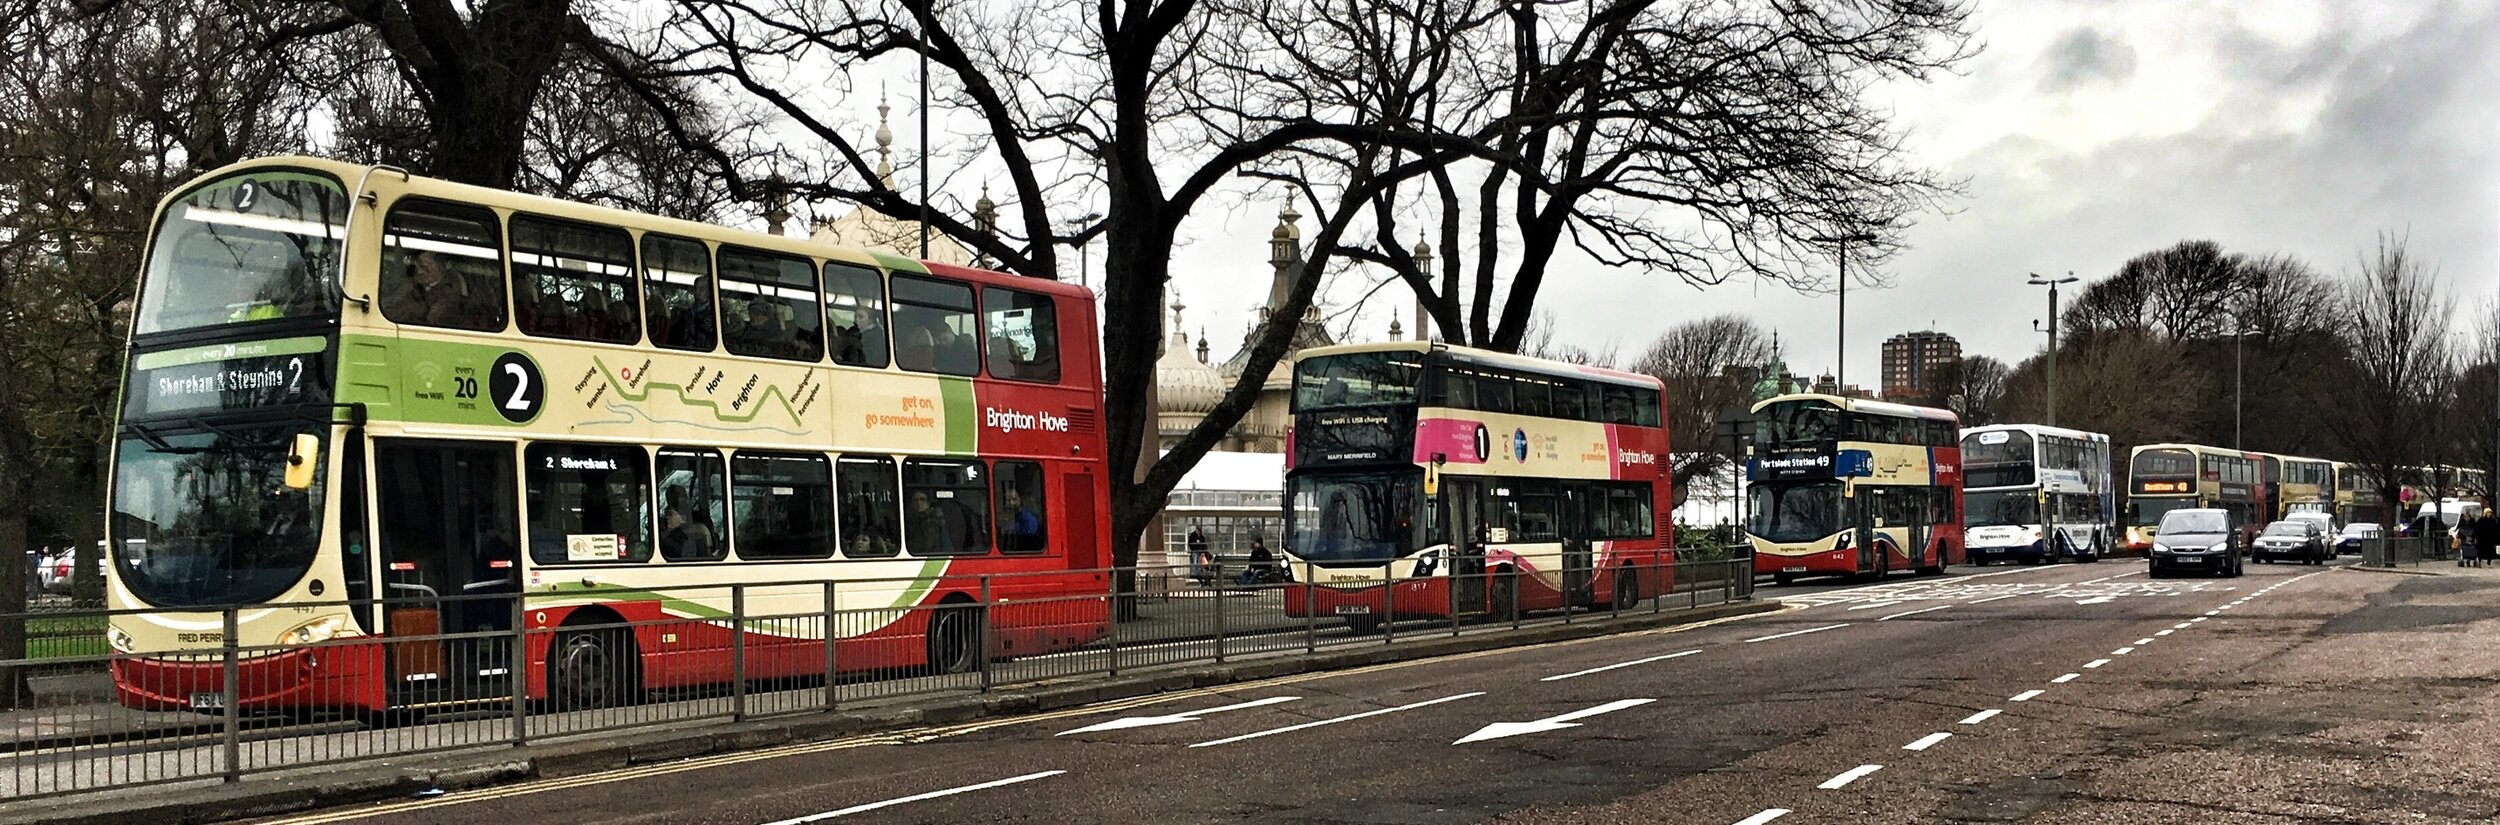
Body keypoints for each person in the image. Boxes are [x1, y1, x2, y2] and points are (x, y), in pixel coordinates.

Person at [384, 251, 472, 326]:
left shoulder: (450, 294)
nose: (419, 272)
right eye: (416, 267)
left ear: (440, 266)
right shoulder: (412, 287)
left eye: (424, 267)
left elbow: (433, 320)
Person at [661, 488, 716, 559]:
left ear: (684, 518)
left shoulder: (690, 539)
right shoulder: (667, 532)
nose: (667, 518)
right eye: (666, 514)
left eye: (671, 514)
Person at [906, 491, 952, 556]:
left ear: (928, 503)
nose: (919, 503)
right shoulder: (911, 520)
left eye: (922, 499)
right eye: (915, 500)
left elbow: (926, 544)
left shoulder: (933, 521)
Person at [1000, 487, 1043, 552]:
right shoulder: (1009, 518)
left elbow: (1030, 541)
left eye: (1014, 500)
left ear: (1020, 500)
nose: (1011, 503)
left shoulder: (1028, 518)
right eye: (1008, 500)